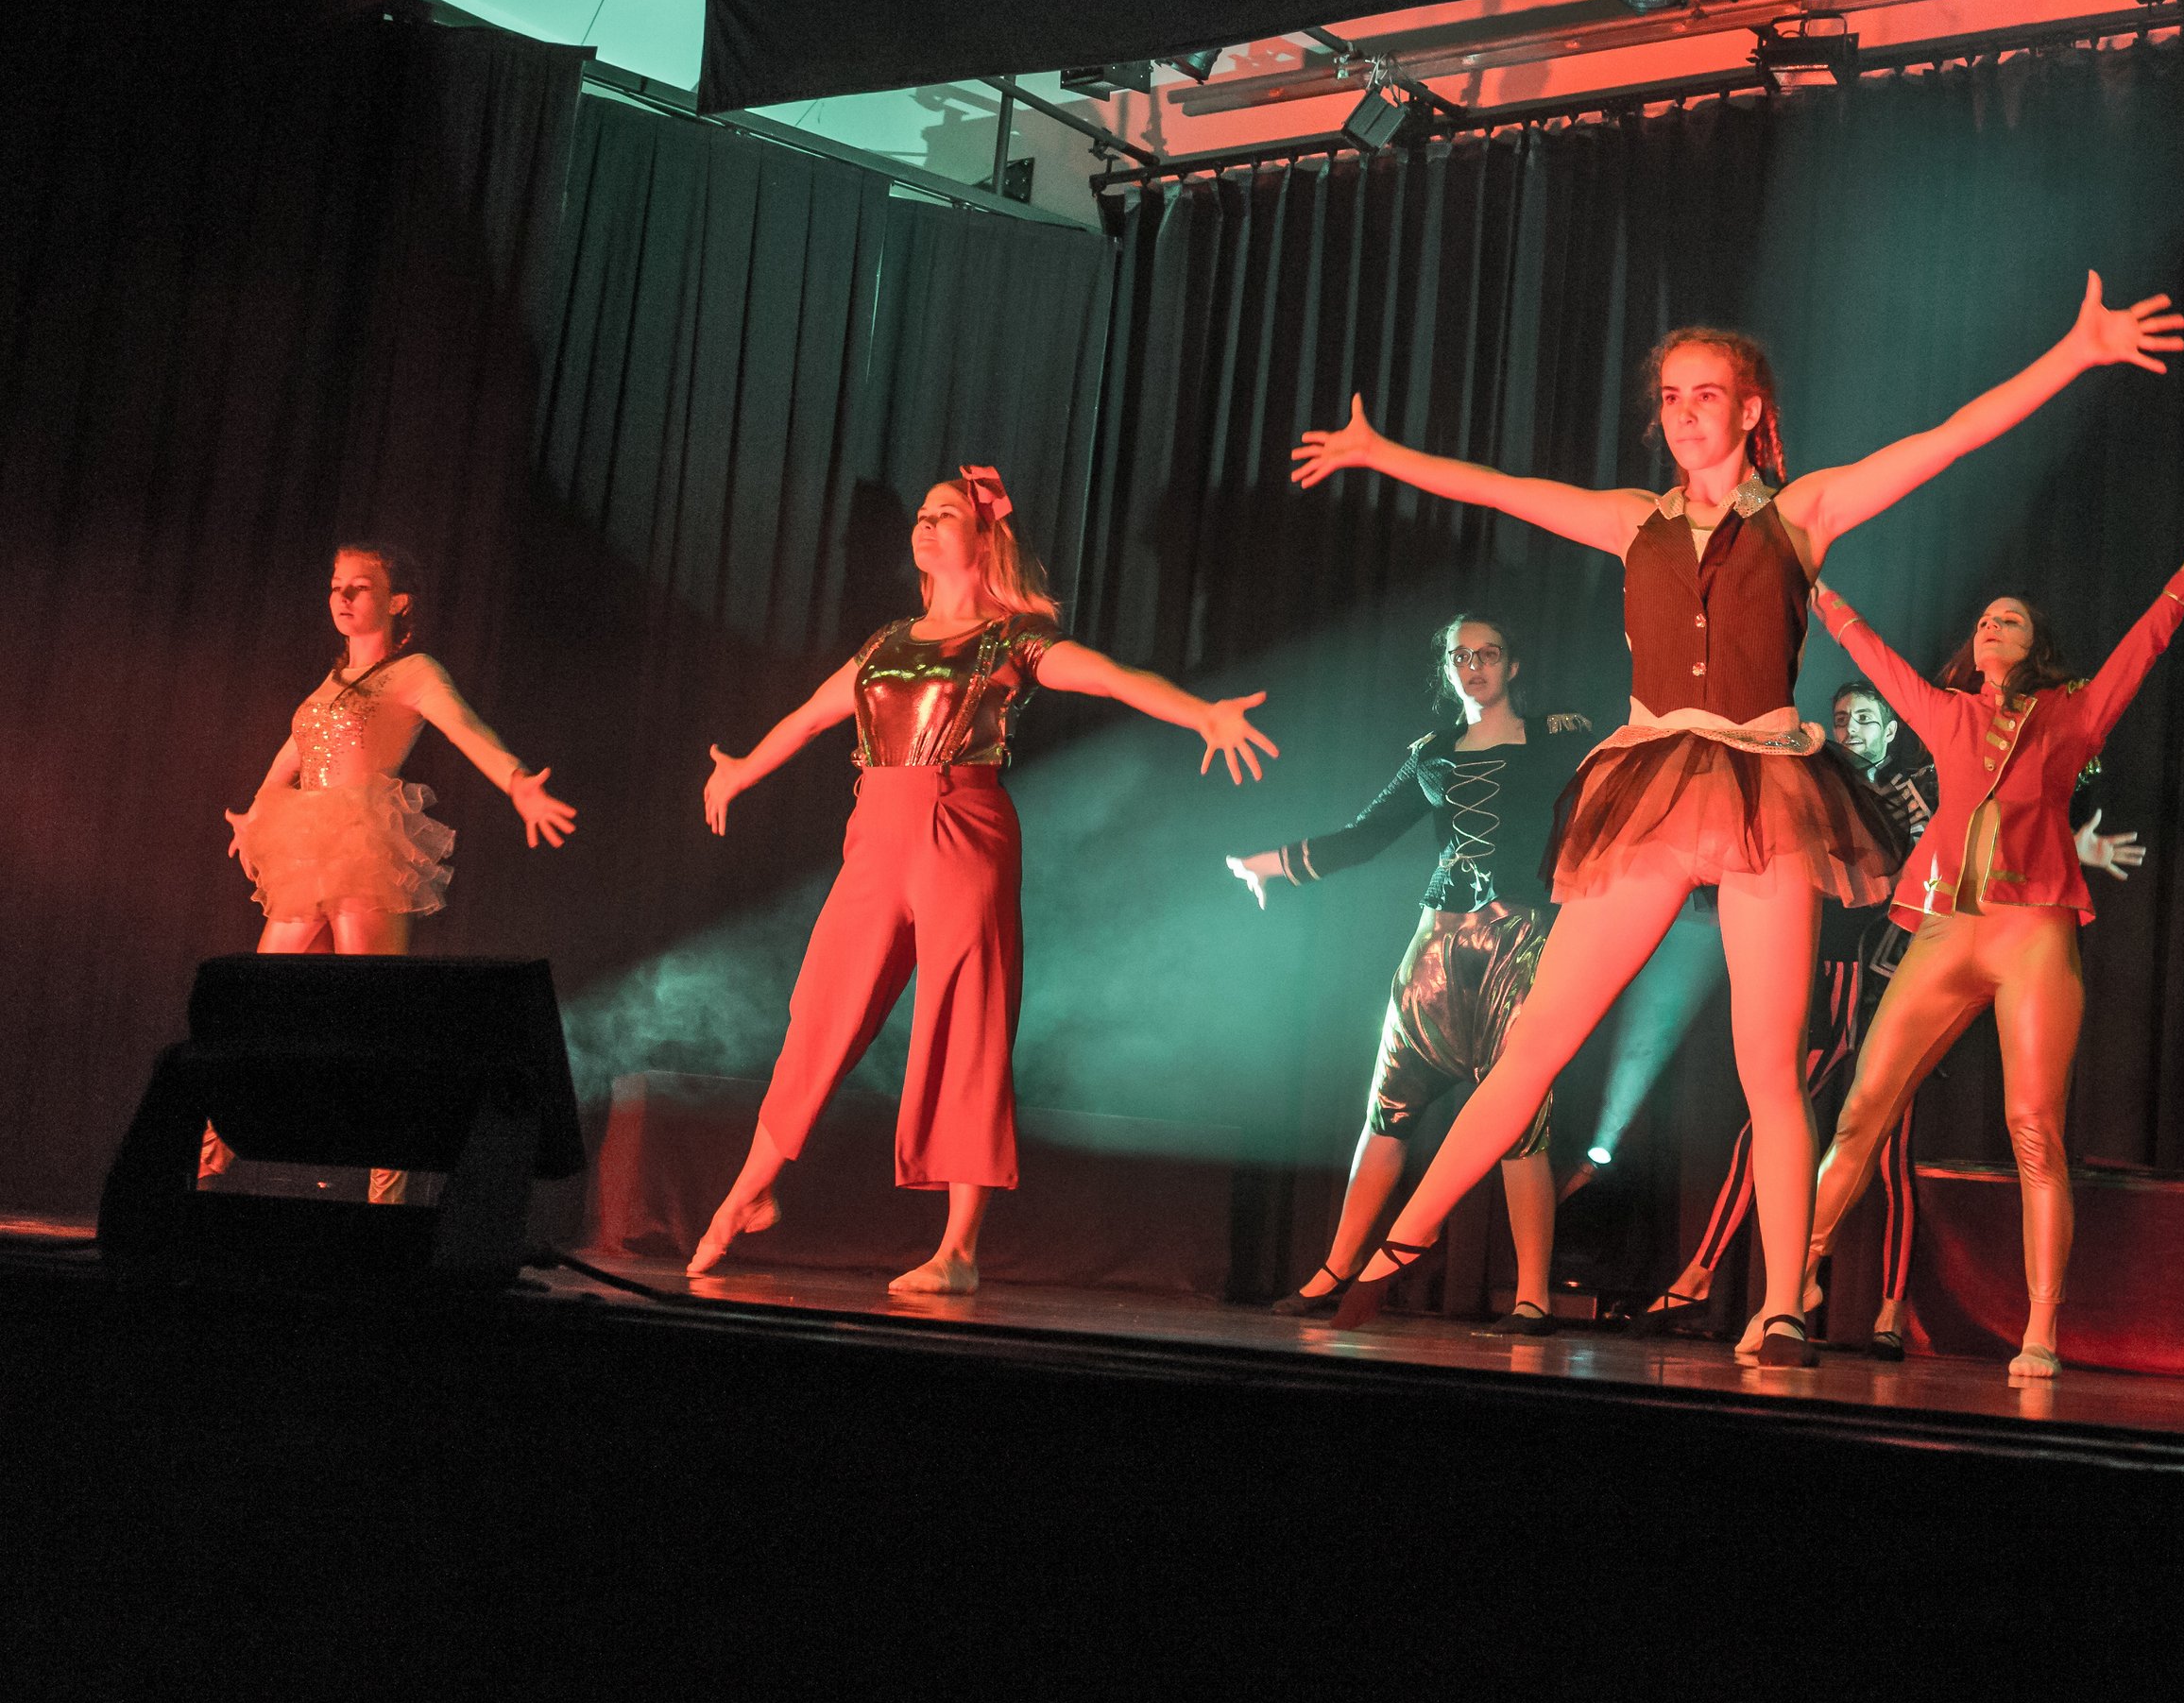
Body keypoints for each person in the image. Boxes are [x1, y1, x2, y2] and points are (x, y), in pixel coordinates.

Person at [1289, 275, 2184, 1363]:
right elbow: (1505, 488)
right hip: (1650, 788)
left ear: (1751, 407)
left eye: (1706, 394)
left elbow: (1949, 438)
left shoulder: (1802, 513)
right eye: (1671, 397)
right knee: (1532, 1044)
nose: (1684, 413)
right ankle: (1404, 1240)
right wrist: (1381, 453)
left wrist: (2075, 352)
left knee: (1771, 1065)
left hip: (1766, 787)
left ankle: (1782, 1303)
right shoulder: (1635, 521)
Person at [689, 468, 1275, 1296]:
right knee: (820, 1011)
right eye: (921, 515)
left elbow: (1112, 676)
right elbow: (815, 714)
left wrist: (1202, 713)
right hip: (876, 833)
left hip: (963, 826)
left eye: (945, 514)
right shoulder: (886, 642)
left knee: (968, 1023)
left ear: (984, 538)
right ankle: (751, 1193)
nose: (924, 525)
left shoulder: (1012, 640)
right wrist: (742, 768)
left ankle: (958, 1250)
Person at [1798, 465, 2184, 1378]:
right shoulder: (1944, 711)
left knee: (2033, 1128)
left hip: (2031, 936)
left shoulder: (2074, 714)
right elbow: (1864, 646)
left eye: (2012, 620)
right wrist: (1807, 576)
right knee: (1863, 1109)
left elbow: (2156, 631)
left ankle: (2040, 1331)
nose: (1992, 626)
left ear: (2038, 647)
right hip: (1945, 931)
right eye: (1985, 620)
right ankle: (1793, 1286)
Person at [1639, 684, 2142, 1353]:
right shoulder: (1817, 782)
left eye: (1865, 719)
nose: (1850, 729)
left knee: (1890, 1150)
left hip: (1898, 974)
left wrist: (2069, 848)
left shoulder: (1919, 789)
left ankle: (1887, 1308)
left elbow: (1994, 828)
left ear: (1890, 732)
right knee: (1808, 1124)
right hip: (1835, 975)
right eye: (1841, 718)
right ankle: (1731, 1275)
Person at [1228, 616, 1594, 1331]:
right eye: (1460, 657)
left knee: (1520, 1120)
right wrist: (1273, 864)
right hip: (1432, 955)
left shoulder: (1558, 738)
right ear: (1448, 670)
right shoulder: (1430, 755)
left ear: (1513, 665)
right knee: (1386, 1114)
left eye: (1488, 654)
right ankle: (1335, 1269)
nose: (1474, 666)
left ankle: (1533, 1296)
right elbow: (1367, 834)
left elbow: (1611, 803)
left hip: (1517, 947)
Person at [220, 540, 580, 1201]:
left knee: (377, 1023)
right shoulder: (329, 684)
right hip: (305, 852)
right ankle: (203, 1168)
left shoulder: (413, 673)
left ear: (398, 601)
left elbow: (467, 730)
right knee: (259, 1009)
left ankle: (387, 1198)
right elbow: (288, 761)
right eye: (336, 585)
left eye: (358, 586)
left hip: (364, 848)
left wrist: (517, 782)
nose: (341, 596)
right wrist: (254, 814)